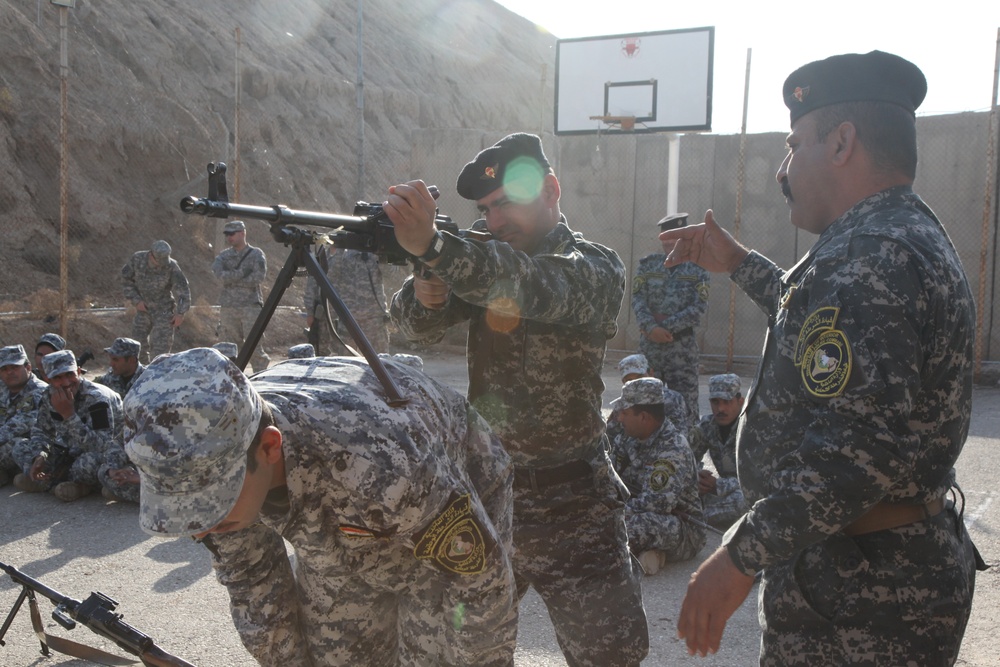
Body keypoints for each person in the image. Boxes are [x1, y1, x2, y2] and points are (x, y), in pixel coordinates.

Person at [663, 51, 982, 665]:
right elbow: (824, 328)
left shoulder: (870, 255)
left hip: (864, 595)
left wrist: (737, 557)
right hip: (873, 574)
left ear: (841, 142)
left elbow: (854, 451)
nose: (783, 170)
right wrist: (739, 265)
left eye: (793, 144)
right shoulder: (892, 235)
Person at [386, 132, 648, 666]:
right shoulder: (483, 258)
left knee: (611, 654)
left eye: (505, 202)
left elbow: (525, 284)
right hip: (489, 497)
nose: (495, 219)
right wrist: (425, 289)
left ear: (551, 189)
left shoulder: (593, 266)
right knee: (463, 651)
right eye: (485, 208)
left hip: (574, 505)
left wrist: (435, 246)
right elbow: (415, 332)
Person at [123, 348, 518, 666]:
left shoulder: (383, 465)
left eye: (212, 502)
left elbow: (480, 585)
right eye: (184, 509)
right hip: (343, 533)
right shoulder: (216, 457)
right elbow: (254, 584)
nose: (199, 529)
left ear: (269, 447)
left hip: (440, 497)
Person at [609, 377, 706, 576]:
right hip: (638, 511)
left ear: (644, 417)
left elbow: (656, 504)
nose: (619, 418)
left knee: (633, 525)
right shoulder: (627, 438)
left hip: (682, 528)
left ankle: (609, 561)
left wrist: (612, 513)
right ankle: (644, 554)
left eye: (625, 413)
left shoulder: (673, 448)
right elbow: (611, 480)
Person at [12, 350, 124, 502]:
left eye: (69, 375)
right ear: (47, 378)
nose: (65, 382)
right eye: (57, 377)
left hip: (108, 453)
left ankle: (70, 485)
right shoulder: (48, 395)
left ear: (78, 371)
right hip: (69, 449)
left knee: (88, 464)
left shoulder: (97, 398)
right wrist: (40, 455)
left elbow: (102, 446)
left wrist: (69, 415)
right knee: (20, 447)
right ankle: (50, 480)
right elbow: (42, 431)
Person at [631, 212, 709, 427]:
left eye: (675, 236)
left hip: (681, 349)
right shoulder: (648, 266)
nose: (669, 241)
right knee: (644, 404)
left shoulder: (697, 269)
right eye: (665, 236)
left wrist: (662, 328)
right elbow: (638, 299)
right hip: (650, 347)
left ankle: (691, 457)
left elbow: (699, 307)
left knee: (686, 407)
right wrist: (650, 328)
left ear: (684, 239)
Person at [686, 373, 748, 529]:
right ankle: (697, 514)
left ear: (740, 401)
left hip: (748, 491)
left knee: (745, 502)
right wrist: (696, 477)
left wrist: (718, 485)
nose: (720, 409)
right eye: (715, 402)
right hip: (722, 493)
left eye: (727, 402)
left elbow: (758, 480)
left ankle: (695, 517)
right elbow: (685, 458)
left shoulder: (753, 428)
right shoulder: (707, 425)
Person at [304, 244, 390, 354]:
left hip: (374, 320)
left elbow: (392, 275)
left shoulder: (374, 255)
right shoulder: (343, 255)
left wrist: (381, 254)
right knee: (346, 363)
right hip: (348, 319)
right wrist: (339, 247)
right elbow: (331, 274)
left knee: (381, 362)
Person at [212, 220, 270, 372]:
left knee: (255, 346)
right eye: (227, 234)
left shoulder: (256, 254)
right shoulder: (224, 256)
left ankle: (260, 378)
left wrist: (232, 279)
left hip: (250, 306)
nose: (229, 237)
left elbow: (257, 278)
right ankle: (234, 379)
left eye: (232, 234)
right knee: (229, 347)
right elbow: (219, 276)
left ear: (243, 233)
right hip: (229, 307)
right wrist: (242, 274)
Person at [121, 239, 191, 361]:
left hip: (164, 310)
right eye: (158, 260)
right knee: (137, 347)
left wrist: (180, 313)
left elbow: (183, 291)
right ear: (150, 255)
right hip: (143, 309)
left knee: (161, 351)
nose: (161, 264)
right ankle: (141, 375)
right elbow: (126, 280)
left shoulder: (171, 266)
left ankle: (157, 375)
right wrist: (136, 301)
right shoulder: (137, 259)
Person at [0, 345, 47, 487]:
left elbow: (18, 426)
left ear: (28, 367)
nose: (10, 373)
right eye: (4, 369)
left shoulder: (39, 391)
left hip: (36, 446)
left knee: (17, 445)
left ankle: (40, 480)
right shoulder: (3, 388)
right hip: (5, 443)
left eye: (14, 367)